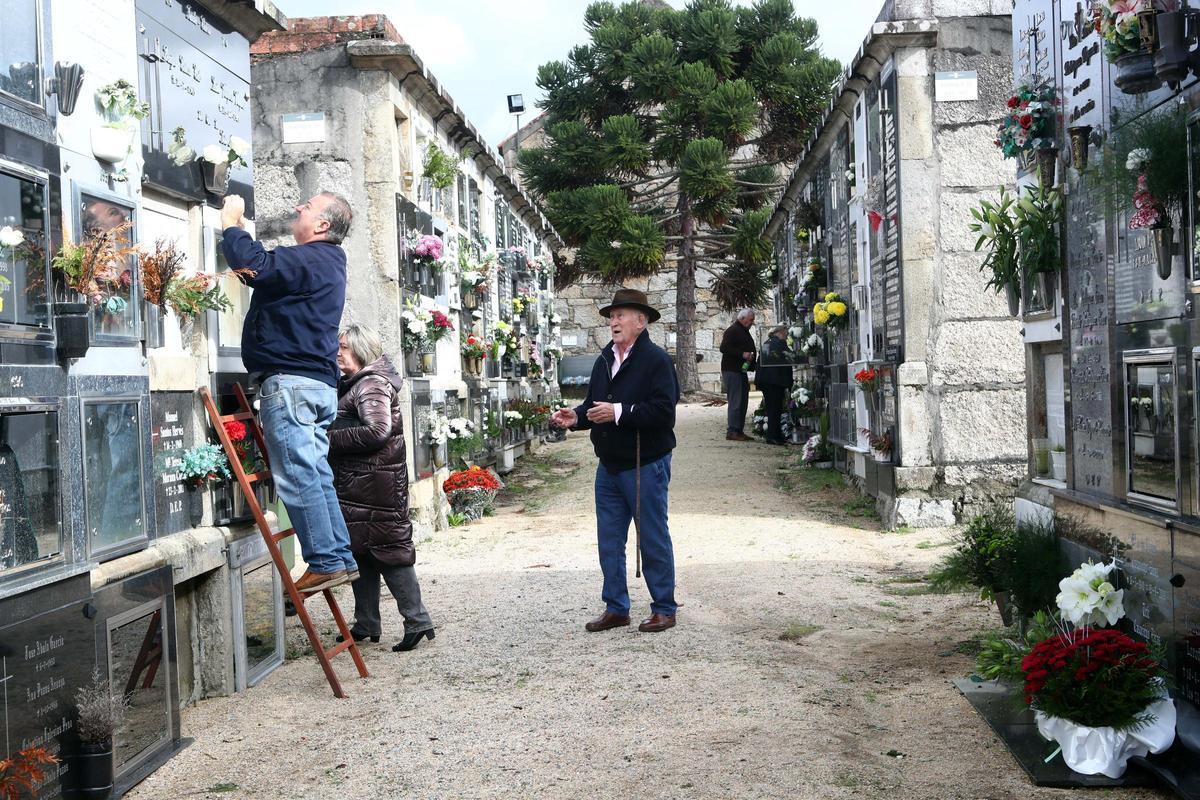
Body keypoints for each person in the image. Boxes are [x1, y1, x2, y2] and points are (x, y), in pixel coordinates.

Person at [220, 192, 358, 594]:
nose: (299, 208)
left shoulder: (314, 257)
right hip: (314, 384)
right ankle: (340, 555)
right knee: (316, 473)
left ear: (322, 226)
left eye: (308, 207)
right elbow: (268, 270)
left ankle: (327, 561)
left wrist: (230, 224)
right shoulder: (326, 262)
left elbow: (257, 266)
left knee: (298, 476)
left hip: (292, 383)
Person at [550, 288, 680, 633]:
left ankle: (664, 608)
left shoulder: (657, 361)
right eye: (611, 316)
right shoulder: (604, 359)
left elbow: (664, 413)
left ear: (641, 321)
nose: (613, 321)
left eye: (621, 315)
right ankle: (616, 607)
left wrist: (619, 411)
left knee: (652, 536)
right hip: (608, 465)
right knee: (608, 539)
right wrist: (576, 417)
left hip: (644, 463)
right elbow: (596, 404)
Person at [329, 323, 435, 653]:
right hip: (364, 484)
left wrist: (327, 438)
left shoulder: (371, 383)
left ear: (360, 350)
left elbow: (377, 431)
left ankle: (417, 620)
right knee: (362, 551)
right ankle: (366, 622)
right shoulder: (358, 383)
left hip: (375, 485)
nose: (338, 351)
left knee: (390, 552)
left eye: (343, 347)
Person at [720, 308, 757, 441]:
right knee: (736, 401)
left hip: (739, 370)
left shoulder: (742, 330)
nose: (752, 322)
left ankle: (738, 430)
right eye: (751, 319)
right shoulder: (733, 330)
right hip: (732, 370)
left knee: (742, 401)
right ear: (743, 318)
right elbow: (723, 348)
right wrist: (742, 354)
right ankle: (733, 430)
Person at [755, 325, 794, 446]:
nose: (787, 335)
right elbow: (789, 357)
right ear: (780, 333)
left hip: (769, 381)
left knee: (774, 409)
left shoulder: (769, 342)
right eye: (786, 333)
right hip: (774, 381)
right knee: (774, 409)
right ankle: (772, 436)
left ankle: (775, 435)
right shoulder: (778, 344)